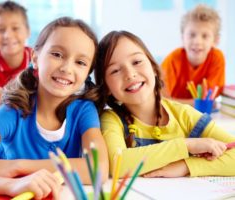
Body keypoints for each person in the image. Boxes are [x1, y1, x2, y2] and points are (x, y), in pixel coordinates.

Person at [0, 17, 108, 198]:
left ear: (87, 73)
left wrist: (18, 166)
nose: (67, 68)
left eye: (80, 63)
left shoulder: (83, 111)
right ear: (35, 58)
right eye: (57, 54)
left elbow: (97, 169)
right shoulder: (11, 112)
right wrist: (11, 185)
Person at [94, 30, 235, 178]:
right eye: (115, 70)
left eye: (136, 62)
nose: (130, 74)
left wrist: (186, 166)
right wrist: (186, 145)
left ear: (154, 68)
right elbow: (118, 164)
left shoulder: (184, 115)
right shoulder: (111, 119)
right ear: (107, 88)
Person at [161, 4, 225, 105]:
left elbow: (208, 99)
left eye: (205, 36)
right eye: (192, 35)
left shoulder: (217, 58)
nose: (197, 41)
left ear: (215, 41)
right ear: (182, 37)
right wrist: (196, 103)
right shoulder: (173, 60)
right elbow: (162, 100)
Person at [0, 1, 32, 114]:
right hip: (2, 117)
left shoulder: (36, 58)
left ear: (28, 32)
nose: (8, 35)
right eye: (1, 30)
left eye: (15, 28)